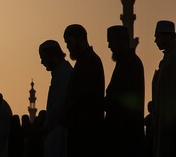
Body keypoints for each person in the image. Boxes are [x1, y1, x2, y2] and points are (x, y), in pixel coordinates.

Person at [61, 24, 105, 157]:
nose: (68, 47)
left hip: (86, 132)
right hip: (80, 130)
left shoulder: (90, 61)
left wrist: (67, 113)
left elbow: (84, 97)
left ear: (80, 39)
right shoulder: (83, 61)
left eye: (69, 42)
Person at [104, 25, 145, 157]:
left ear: (121, 41)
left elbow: (123, 99)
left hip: (125, 136)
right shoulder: (126, 62)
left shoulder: (130, 63)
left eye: (111, 42)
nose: (109, 46)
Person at [39, 40, 72, 157]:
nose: (42, 62)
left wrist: (47, 126)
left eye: (43, 57)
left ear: (51, 55)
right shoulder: (60, 72)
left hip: (59, 131)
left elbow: (57, 105)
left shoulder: (64, 74)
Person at [151, 20, 176, 157]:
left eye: (158, 37)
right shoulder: (167, 59)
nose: (155, 41)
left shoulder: (173, 60)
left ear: (168, 36)